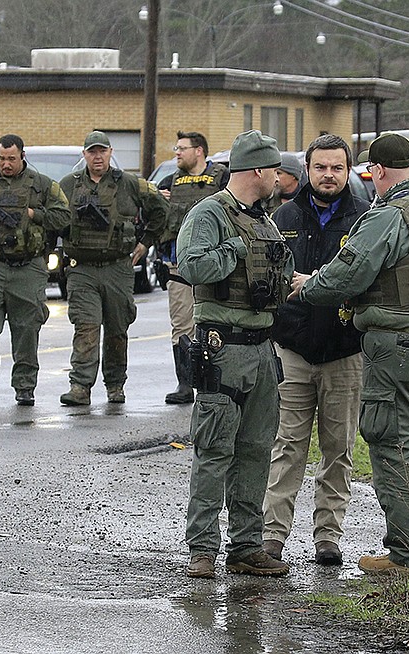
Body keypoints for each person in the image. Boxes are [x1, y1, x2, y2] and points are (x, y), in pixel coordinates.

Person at [290, 133, 409, 573]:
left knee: (394, 444)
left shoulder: (388, 216)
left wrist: (307, 286)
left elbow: (343, 278)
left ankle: (406, 553)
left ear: (377, 171)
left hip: (401, 348)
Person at [176, 129, 294, 579]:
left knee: (256, 450)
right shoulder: (210, 214)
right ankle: (202, 549)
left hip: (263, 350)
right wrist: (234, 250)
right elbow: (191, 266)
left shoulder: (265, 219)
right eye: (275, 170)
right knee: (214, 450)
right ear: (258, 170)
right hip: (222, 348)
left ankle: (246, 545)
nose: (279, 179)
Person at [261, 134, 369, 566]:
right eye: (320, 167)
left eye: (337, 168)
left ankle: (328, 536)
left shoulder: (365, 219)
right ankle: (272, 536)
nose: (328, 175)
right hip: (292, 352)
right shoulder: (282, 216)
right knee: (286, 446)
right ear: (307, 169)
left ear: (348, 171)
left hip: (344, 353)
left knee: (338, 449)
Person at [0, 134, 71, 406]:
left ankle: (24, 386)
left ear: (22, 157)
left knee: (26, 330)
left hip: (28, 267)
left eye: (11, 159)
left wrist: (35, 214)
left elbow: (64, 217)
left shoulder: (42, 185)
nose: (6, 164)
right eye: (2, 158)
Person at [58, 131, 167, 406]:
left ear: (110, 153)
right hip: (81, 268)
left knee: (117, 329)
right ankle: (80, 386)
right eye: (92, 152)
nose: (97, 156)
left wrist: (145, 243)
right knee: (86, 326)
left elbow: (161, 209)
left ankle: (115, 384)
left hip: (118, 266)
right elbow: (53, 216)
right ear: (84, 155)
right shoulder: (68, 185)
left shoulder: (129, 184)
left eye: (102, 151)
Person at [157, 131, 229, 405]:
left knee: (216, 322)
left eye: (182, 148)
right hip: (178, 265)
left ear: (199, 151)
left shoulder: (222, 179)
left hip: (215, 262)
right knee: (182, 325)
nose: (177, 153)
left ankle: (216, 379)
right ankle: (185, 383)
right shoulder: (169, 182)